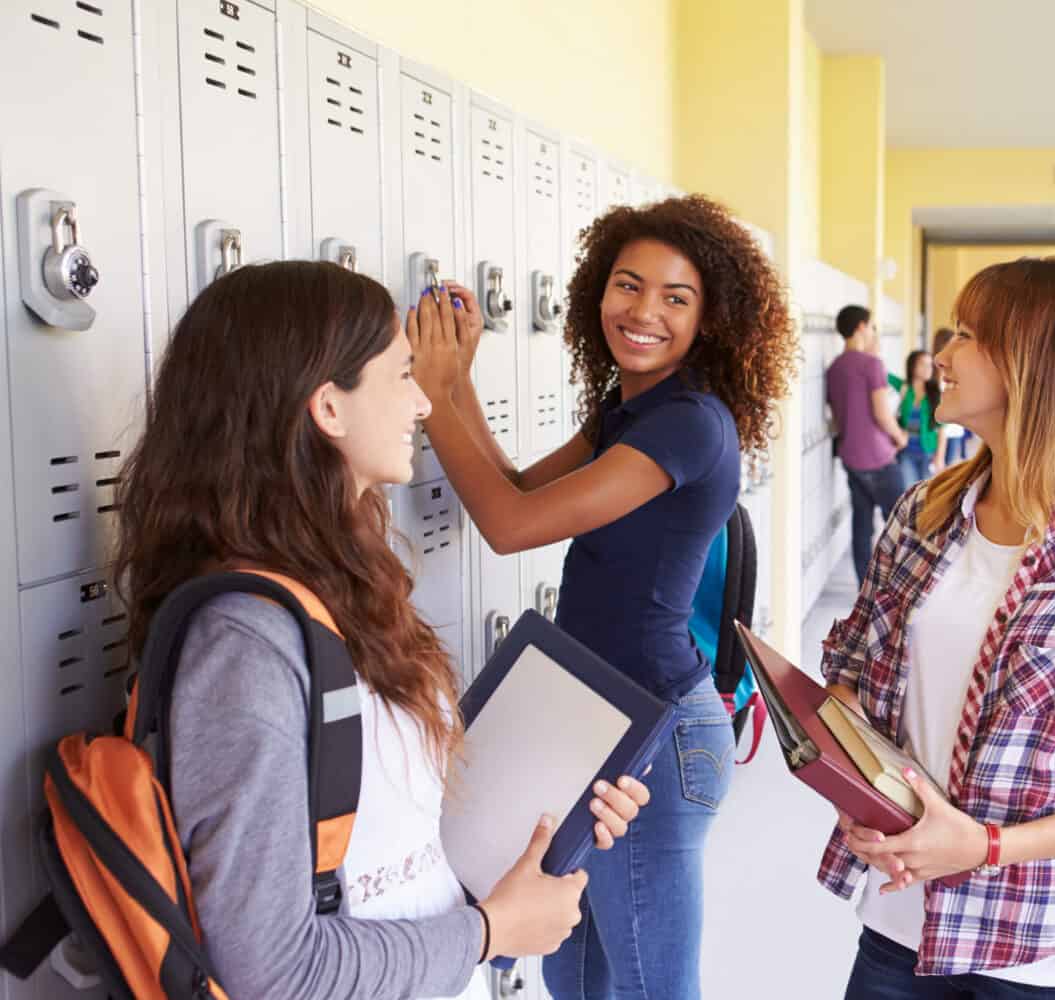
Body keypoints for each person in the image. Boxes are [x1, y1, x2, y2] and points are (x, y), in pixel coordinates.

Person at [113, 260, 650, 998]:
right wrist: (492, 931)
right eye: (403, 374)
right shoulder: (245, 645)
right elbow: (272, 973)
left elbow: (390, 838)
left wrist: (551, 818)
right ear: (328, 408)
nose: (424, 400)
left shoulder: (336, 586)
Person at [408, 195, 798, 999]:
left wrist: (430, 383)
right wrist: (456, 387)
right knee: (577, 977)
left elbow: (511, 525)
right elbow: (515, 485)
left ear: (710, 319)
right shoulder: (634, 412)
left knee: (651, 988)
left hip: (653, 740)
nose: (643, 311)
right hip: (596, 728)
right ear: (598, 291)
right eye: (628, 285)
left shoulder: (688, 423)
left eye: (675, 298)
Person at [818, 258, 1055, 999]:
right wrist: (855, 791)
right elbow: (852, 674)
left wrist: (986, 847)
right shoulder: (922, 516)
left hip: (1045, 948)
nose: (942, 356)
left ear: (1034, 363)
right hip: (902, 927)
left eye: (966, 336)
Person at [827, 304, 908, 583]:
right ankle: (900, 586)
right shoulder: (872, 364)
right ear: (861, 327)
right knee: (904, 526)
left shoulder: (835, 368)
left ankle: (865, 588)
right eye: (872, 326)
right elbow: (882, 413)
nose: (873, 332)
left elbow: (838, 417)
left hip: (851, 457)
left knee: (861, 528)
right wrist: (900, 437)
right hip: (878, 457)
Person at [890, 348, 944, 487]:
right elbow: (882, 375)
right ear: (912, 366)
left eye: (929, 365)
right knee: (909, 492)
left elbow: (942, 430)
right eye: (922, 364)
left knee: (927, 496)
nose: (928, 368)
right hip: (907, 453)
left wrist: (939, 457)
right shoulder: (904, 388)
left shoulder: (935, 394)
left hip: (928, 454)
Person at [932, 327, 972, 466]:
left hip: (954, 429)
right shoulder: (932, 374)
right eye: (950, 343)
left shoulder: (957, 371)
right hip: (936, 431)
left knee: (948, 468)